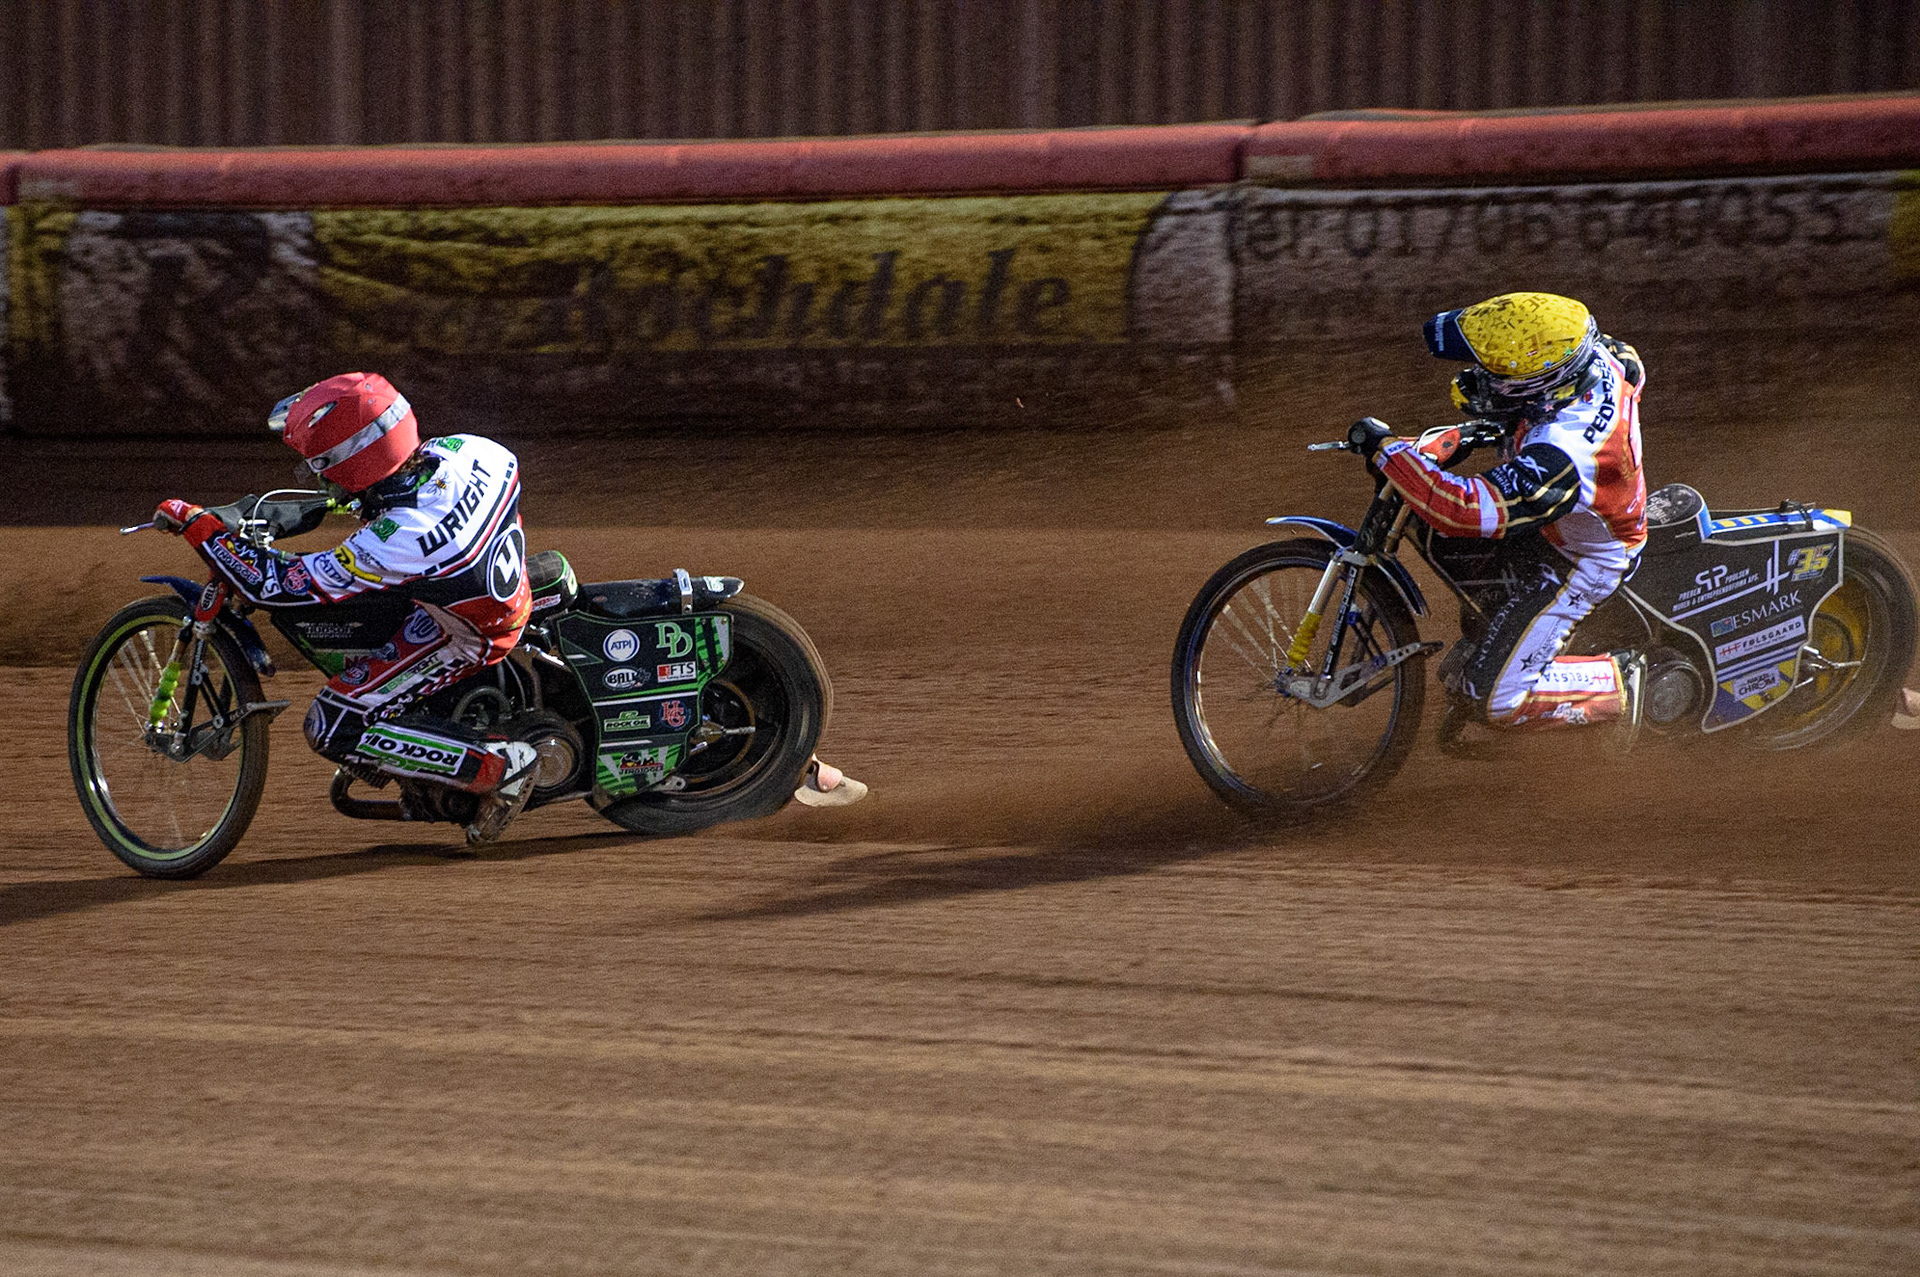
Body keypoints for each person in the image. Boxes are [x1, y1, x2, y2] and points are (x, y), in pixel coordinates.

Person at [152, 372, 541, 843]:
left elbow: (273, 585)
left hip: (468, 635)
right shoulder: (473, 449)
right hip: (495, 583)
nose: (319, 476)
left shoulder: (400, 538)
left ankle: (498, 768)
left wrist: (198, 525)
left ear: (351, 461)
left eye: (322, 466)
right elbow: (368, 502)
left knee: (330, 724)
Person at [1347, 291, 1647, 734]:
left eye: (1498, 373)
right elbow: (1632, 366)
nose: (1482, 377)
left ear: (1541, 387)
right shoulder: (1601, 355)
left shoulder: (1565, 454)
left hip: (1585, 562)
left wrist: (1390, 452)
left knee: (1493, 701)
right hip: (1565, 522)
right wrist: (1476, 431)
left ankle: (1620, 683)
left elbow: (1461, 509)